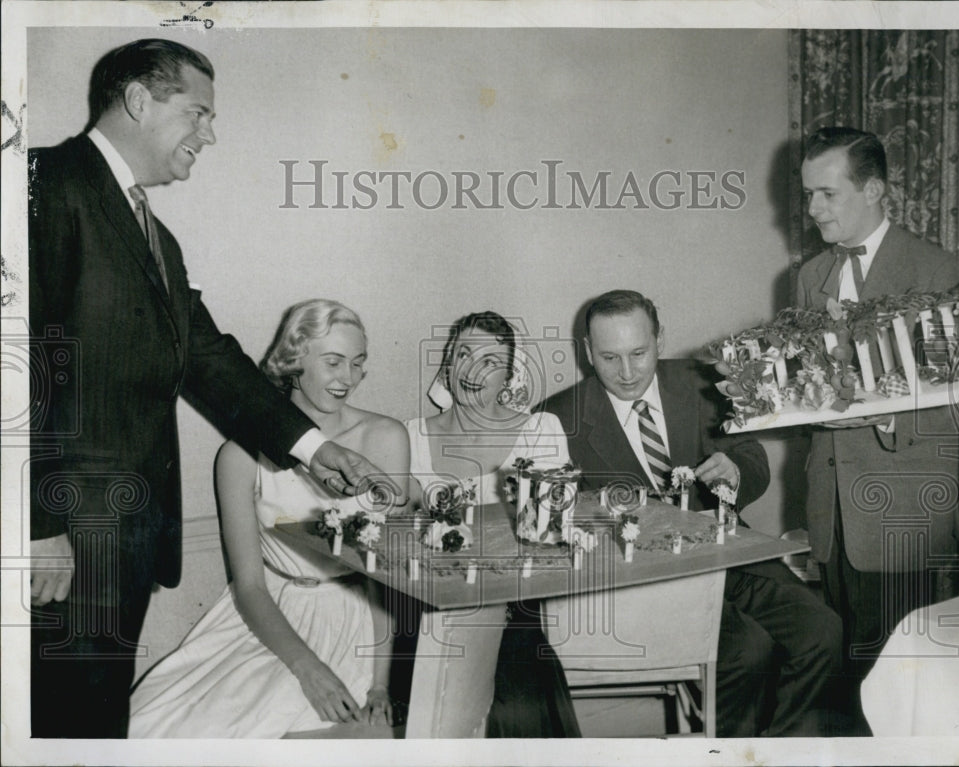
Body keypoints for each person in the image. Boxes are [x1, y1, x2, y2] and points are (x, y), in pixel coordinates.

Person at [28, 39, 393, 738]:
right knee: (58, 727)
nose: (210, 133)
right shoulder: (45, 184)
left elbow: (208, 356)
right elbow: (17, 368)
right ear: (138, 100)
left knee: (96, 724)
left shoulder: (156, 237)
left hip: (125, 543)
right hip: (67, 538)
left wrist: (313, 447)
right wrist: (39, 527)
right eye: (197, 112)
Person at [540, 290, 844, 737]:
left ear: (660, 340)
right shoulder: (557, 418)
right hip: (645, 581)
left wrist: (735, 472)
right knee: (747, 652)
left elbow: (749, 453)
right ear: (587, 351)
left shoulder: (704, 383)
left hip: (728, 552)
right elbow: (555, 523)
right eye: (609, 357)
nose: (626, 373)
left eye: (638, 353)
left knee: (823, 631)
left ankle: (779, 752)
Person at [128, 300, 407, 737]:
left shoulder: (386, 437)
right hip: (264, 615)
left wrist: (380, 685)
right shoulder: (238, 456)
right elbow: (250, 585)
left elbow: (384, 578)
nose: (348, 379)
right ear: (294, 361)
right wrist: (306, 667)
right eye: (333, 362)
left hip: (352, 620)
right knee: (156, 723)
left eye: (358, 364)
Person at [797, 126, 959, 722]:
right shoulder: (807, 277)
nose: (812, 208)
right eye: (808, 195)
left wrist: (885, 421)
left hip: (904, 508)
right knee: (848, 676)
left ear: (873, 189)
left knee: (902, 690)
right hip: (831, 510)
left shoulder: (940, 273)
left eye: (827, 193)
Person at [405, 311, 581, 738]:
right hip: (433, 609)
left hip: (517, 605)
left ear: (509, 376)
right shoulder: (410, 437)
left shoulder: (540, 429)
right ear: (447, 362)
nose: (471, 370)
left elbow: (549, 539)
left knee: (517, 699)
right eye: (463, 353)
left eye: (490, 361)